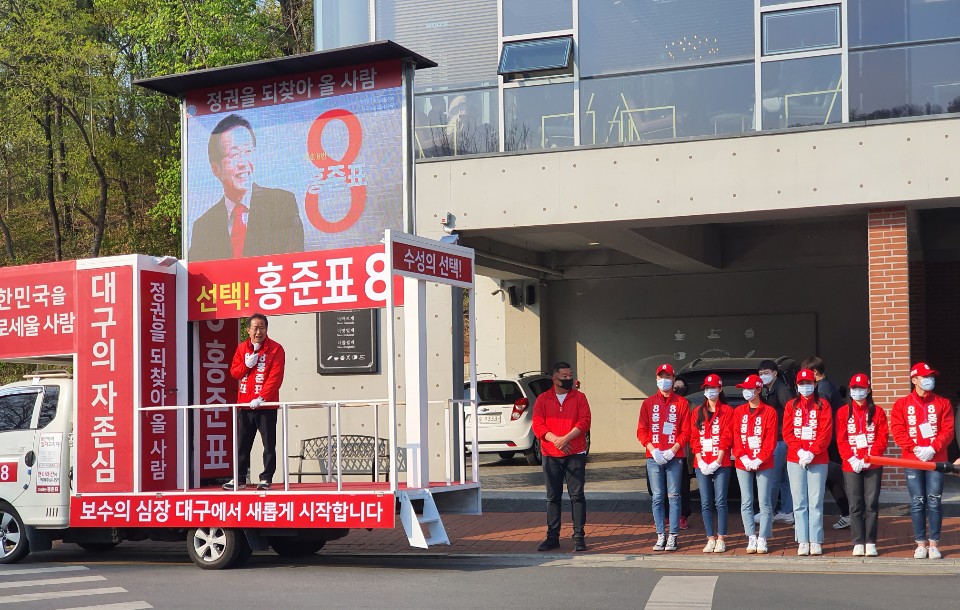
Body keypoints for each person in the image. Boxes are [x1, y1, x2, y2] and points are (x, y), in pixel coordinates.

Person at [188, 114, 304, 262]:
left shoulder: (282, 203)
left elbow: (294, 261)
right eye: (234, 154)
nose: (243, 162)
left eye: (248, 151)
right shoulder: (203, 226)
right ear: (215, 168)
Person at [890, 362, 956, 559]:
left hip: (936, 459)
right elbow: (898, 429)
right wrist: (915, 448)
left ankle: (934, 544)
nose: (930, 380)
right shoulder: (901, 404)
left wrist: (932, 448)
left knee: (934, 500)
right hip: (912, 460)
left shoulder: (943, 403)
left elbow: (948, 430)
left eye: (931, 376)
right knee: (918, 501)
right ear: (914, 380)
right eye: (925, 377)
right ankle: (920, 543)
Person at [531, 361, 592, 552]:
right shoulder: (543, 399)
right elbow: (538, 425)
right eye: (564, 376)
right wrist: (555, 440)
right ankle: (552, 537)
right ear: (554, 379)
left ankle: (579, 536)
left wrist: (565, 439)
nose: (568, 379)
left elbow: (585, 421)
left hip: (575, 452)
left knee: (577, 495)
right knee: (553, 497)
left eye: (570, 375)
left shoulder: (580, 397)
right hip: (551, 454)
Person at [224, 313, 286, 491]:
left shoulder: (276, 349)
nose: (259, 331)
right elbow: (235, 372)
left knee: (268, 444)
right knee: (242, 443)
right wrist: (247, 365)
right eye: (255, 328)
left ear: (267, 329)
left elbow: (275, 377)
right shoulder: (242, 348)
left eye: (262, 328)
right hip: (244, 404)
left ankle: (266, 478)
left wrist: (262, 397)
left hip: (266, 405)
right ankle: (240, 478)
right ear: (248, 330)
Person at [637, 363, 690, 552]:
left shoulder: (682, 403)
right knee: (657, 497)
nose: (664, 380)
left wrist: (673, 449)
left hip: (674, 456)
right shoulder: (648, 403)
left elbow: (686, 431)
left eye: (668, 377)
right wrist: (652, 449)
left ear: (674, 379)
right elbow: (641, 430)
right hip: (654, 457)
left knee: (674, 496)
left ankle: (673, 535)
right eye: (661, 377)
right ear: (656, 379)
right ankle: (661, 534)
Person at [836, 373, 889, 557]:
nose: (857, 392)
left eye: (861, 388)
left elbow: (882, 438)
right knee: (855, 504)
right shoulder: (843, 412)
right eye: (854, 389)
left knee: (871, 504)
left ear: (868, 390)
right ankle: (858, 541)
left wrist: (869, 457)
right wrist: (851, 458)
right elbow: (841, 439)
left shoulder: (878, 412)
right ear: (850, 391)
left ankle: (871, 541)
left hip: (872, 465)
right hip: (851, 465)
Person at [783, 369, 833, 556]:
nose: (806, 387)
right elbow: (787, 432)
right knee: (799, 501)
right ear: (796, 386)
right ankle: (802, 540)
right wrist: (800, 450)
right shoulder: (791, 406)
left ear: (815, 384)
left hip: (818, 458)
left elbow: (826, 432)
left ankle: (816, 540)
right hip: (795, 459)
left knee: (815, 501)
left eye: (809, 383)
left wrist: (812, 451)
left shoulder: (823, 405)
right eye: (802, 384)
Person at [801, 356, 852, 531]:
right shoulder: (828, 386)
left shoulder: (822, 391)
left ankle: (846, 513)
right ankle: (847, 513)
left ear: (814, 372)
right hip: (831, 441)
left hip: (827, 443)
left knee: (831, 479)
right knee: (832, 480)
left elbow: (820, 421)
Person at [732, 374, 778, 554]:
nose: (746, 392)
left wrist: (759, 458)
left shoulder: (769, 412)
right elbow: (736, 436)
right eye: (744, 389)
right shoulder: (739, 411)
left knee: (765, 502)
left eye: (749, 388)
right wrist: (743, 457)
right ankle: (751, 536)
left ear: (759, 389)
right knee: (746, 500)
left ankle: (763, 537)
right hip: (743, 462)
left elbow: (770, 440)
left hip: (764, 462)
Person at [689, 374, 734, 553]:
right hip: (702, 462)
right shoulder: (698, 411)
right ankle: (710, 538)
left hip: (721, 463)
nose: (710, 391)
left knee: (720, 501)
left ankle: (721, 537)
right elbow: (694, 438)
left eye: (713, 388)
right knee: (706, 501)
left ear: (720, 389)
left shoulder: (727, 411)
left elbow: (727, 436)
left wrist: (717, 460)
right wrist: (699, 459)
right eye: (707, 388)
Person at [758, 359, 794, 525]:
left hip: (780, 439)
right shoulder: (769, 390)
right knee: (784, 478)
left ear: (774, 373)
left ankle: (768, 511)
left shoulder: (781, 390)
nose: (763, 376)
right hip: (779, 439)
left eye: (766, 373)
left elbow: (791, 412)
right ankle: (787, 510)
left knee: (773, 477)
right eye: (760, 374)